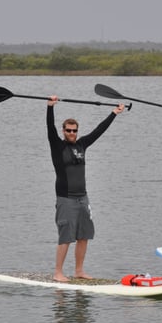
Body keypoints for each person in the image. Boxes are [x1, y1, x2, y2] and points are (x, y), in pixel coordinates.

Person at [47, 95, 126, 282]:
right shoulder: (58, 146)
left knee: (84, 235)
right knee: (66, 236)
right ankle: (58, 272)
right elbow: (49, 129)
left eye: (74, 130)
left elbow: (99, 130)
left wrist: (114, 113)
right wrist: (50, 107)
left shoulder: (82, 144)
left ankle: (79, 271)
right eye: (68, 130)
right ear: (63, 131)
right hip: (65, 199)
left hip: (83, 198)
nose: (72, 133)